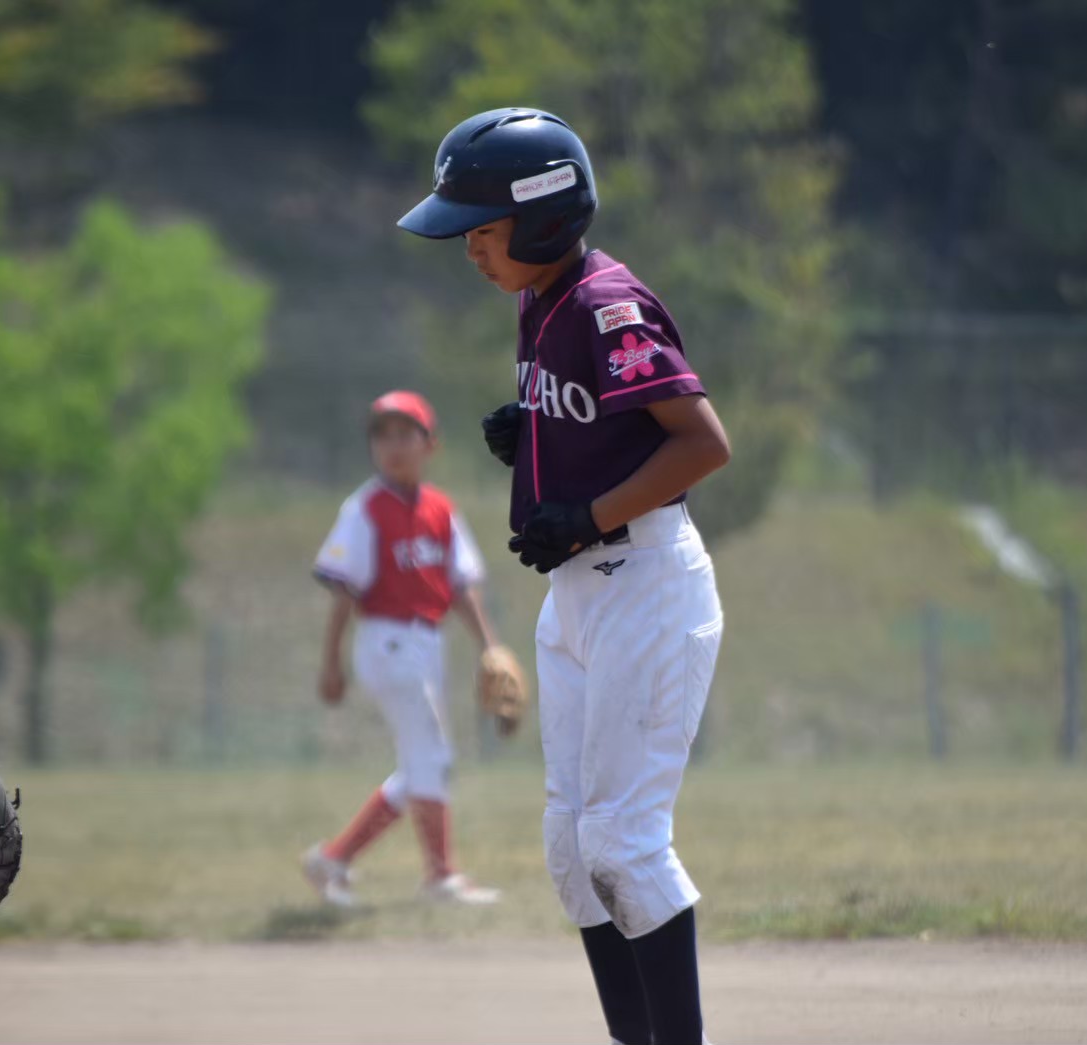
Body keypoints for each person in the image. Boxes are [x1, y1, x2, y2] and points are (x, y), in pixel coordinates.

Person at [397, 108, 732, 1045]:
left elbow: (701, 444)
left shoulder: (603, 303)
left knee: (623, 843)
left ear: (544, 218)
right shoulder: (540, 298)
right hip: (582, 595)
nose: (470, 247)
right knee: (572, 851)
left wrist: (588, 513)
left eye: (483, 227)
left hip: (643, 585)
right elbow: (610, 419)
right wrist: (538, 428)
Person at [303, 390, 503, 906]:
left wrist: (490, 647)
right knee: (431, 757)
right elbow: (344, 591)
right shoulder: (364, 509)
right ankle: (439, 877)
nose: (393, 446)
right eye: (382, 435)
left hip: (427, 642)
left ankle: (334, 858)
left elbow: (461, 586)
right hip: (387, 638)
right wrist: (331, 663)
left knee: (422, 764)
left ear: (429, 444)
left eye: (405, 435)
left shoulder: (441, 509)